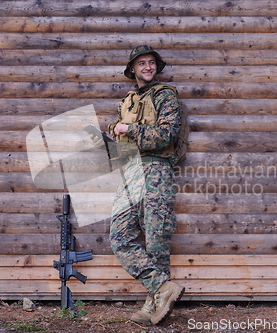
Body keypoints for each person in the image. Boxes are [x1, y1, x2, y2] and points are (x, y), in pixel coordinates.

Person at [92, 45, 185, 325]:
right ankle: (163, 287)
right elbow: (122, 144)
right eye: (141, 63)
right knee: (119, 238)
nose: (147, 67)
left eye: (151, 62)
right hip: (131, 171)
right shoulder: (128, 101)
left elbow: (168, 135)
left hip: (156, 170)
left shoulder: (166, 96)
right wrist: (108, 140)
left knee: (156, 240)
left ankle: (153, 307)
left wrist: (129, 129)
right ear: (132, 69)